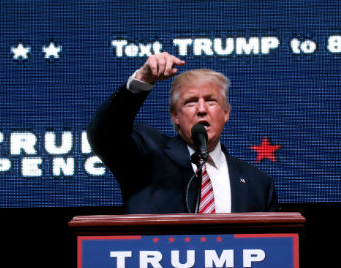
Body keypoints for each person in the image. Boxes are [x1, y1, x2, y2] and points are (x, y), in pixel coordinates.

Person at [87, 52, 278, 214]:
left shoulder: (258, 184)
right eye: (191, 102)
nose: (202, 109)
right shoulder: (146, 155)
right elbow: (105, 134)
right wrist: (143, 80)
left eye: (211, 101)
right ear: (175, 116)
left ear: (226, 112)